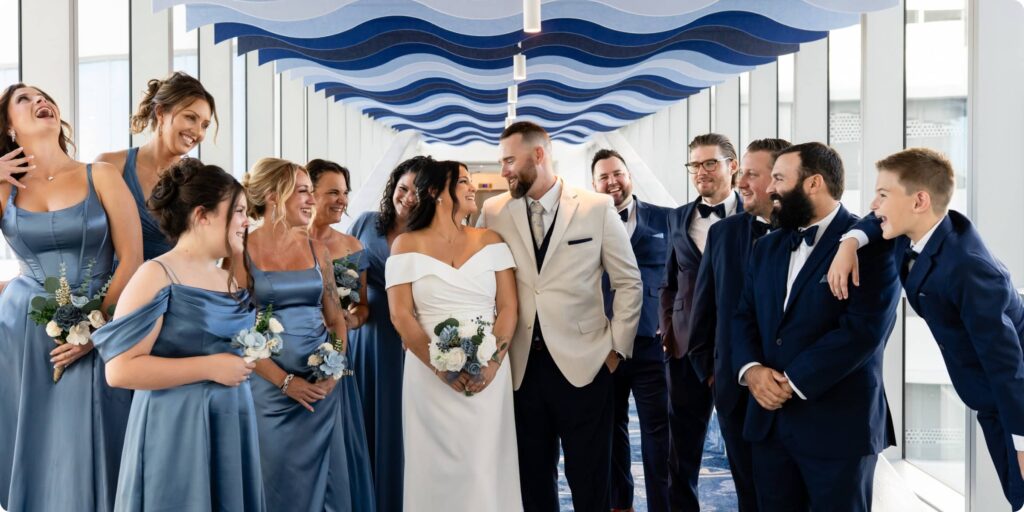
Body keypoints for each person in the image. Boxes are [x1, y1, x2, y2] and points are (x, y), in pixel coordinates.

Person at [827, 147, 1024, 510]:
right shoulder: (918, 230)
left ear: (919, 200)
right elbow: (873, 221)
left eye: (883, 195)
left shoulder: (968, 268)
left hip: (1016, 397)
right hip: (991, 398)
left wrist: (1022, 441)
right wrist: (850, 242)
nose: (873, 203)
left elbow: (1007, 366)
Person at [478, 121, 642, 512]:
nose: (503, 172)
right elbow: (483, 279)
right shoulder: (493, 210)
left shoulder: (596, 207)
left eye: (508, 161)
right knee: (532, 480)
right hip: (519, 368)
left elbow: (629, 282)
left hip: (587, 363)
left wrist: (616, 349)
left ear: (539, 155)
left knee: (590, 480)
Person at [732, 142, 899, 511]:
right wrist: (753, 370)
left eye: (778, 178)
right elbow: (743, 316)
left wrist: (789, 382)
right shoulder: (767, 247)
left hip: (838, 428)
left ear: (813, 184)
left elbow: (864, 332)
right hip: (769, 424)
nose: (770, 189)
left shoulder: (870, 245)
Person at [0, 83, 141, 511]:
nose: (39, 100)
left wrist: (92, 331)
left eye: (43, 95)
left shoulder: (101, 174)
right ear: (9, 127)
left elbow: (132, 259)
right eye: (23, 100)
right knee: (40, 447)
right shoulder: (4, 188)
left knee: (96, 441)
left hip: (101, 327)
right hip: (21, 336)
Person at [94, 159, 265, 511]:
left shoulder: (226, 277)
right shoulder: (156, 274)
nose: (247, 222)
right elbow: (120, 370)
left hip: (230, 423)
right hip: (176, 429)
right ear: (202, 215)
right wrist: (210, 367)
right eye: (239, 211)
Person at [238, 158, 375, 511]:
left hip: (322, 388)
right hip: (267, 389)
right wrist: (284, 382)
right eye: (303, 192)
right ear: (272, 196)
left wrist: (334, 372)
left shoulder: (319, 251)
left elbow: (335, 319)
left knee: (329, 483)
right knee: (274, 478)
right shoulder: (239, 251)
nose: (311, 201)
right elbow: (235, 329)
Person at [386, 159, 521, 510]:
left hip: (488, 375)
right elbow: (401, 316)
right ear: (435, 192)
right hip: (427, 375)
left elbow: (508, 309)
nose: (471, 186)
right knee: (433, 469)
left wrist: (491, 364)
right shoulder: (404, 245)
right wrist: (439, 367)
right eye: (463, 181)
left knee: (483, 467)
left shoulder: (491, 240)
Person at [688, 138, 791, 511]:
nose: (741, 182)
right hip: (736, 393)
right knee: (749, 496)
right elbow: (705, 311)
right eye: (742, 172)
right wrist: (716, 374)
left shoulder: (820, 235)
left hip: (795, 394)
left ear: (781, 180)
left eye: (752, 174)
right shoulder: (724, 234)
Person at [660, 133, 742, 511]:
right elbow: (670, 281)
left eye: (710, 163)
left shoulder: (754, 214)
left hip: (738, 348)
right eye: (695, 164)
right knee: (682, 447)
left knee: (742, 444)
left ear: (733, 165)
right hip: (684, 345)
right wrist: (667, 333)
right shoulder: (678, 217)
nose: (701, 172)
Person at [590, 148, 671, 512]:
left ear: (629, 175)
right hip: (605, 345)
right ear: (594, 184)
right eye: (604, 177)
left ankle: (661, 504)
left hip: (653, 342)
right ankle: (620, 504)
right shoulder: (586, 222)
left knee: (659, 432)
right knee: (610, 430)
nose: (612, 182)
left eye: (617, 173)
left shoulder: (667, 219)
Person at [347, 156, 429, 512]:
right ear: (392, 188)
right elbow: (344, 276)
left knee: (404, 424)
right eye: (403, 188)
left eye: (419, 192)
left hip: (411, 337)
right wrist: (350, 306)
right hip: (368, 334)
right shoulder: (365, 223)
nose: (409, 198)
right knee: (366, 420)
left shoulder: (431, 235)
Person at [97, 71, 217, 260]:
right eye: (190, 117)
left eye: (205, 125)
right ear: (161, 113)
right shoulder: (110, 165)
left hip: (173, 286)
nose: (198, 132)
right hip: (113, 287)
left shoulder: (198, 179)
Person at [307, 158, 368, 330]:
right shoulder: (283, 244)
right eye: (334, 192)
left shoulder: (353, 247)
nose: (343, 200)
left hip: (336, 347)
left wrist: (354, 320)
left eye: (345, 193)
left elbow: (362, 306)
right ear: (309, 193)